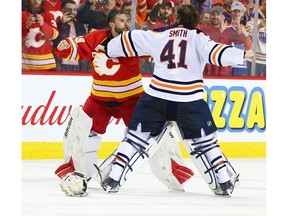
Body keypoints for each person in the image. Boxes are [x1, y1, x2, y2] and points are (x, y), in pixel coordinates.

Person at [95, 3, 254, 195]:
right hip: (190, 100)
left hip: (157, 96)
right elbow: (217, 53)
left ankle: (114, 177)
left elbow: (131, 39)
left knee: (136, 139)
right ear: (195, 22)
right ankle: (224, 181)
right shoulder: (200, 38)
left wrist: (108, 47)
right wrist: (242, 54)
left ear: (177, 19)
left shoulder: (159, 34)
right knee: (206, 143)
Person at [54, 8, 193, 196]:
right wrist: (66, 46)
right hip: (100, 99)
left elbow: (159, 44)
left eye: (128, 20)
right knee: (81, 127)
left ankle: (173, 172)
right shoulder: (97, 37)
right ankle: (76, 171)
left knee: (152, 133)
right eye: (121, 20)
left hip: (132, 99)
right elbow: (77, 46)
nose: (126, 23)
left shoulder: (135, 39)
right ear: (111, 24)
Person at [53, 0, 90, 71]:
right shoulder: (57, 24)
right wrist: (62, 24)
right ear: (63, 10)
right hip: (61, 63)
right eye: (69, 9)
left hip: (78, 64)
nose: (72, 12)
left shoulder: (81, 26)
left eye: (74, 10)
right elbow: (57, 41)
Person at [22, 0, 59, 71]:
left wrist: (43, 24)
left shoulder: (49, 15)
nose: (36, 1)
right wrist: (26, 26)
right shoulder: (22, 16)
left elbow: (55, 35)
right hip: (25, 65)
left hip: (47, 65)